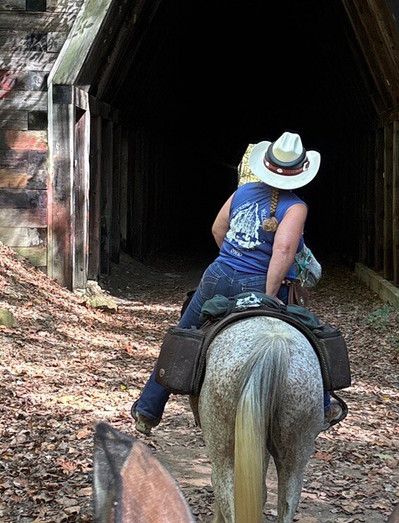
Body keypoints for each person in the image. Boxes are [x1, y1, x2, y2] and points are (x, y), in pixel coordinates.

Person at [131, 131, 343, 435]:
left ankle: (148, 409)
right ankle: (324, 407)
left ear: (266, 165)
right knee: (307, 333)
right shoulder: (295, 208)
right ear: (301, 172)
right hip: (260, 283)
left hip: (217, 275)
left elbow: (218, 230)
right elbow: (282, 252)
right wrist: (269, 296)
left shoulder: (242, 192)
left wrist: (233, 261)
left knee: (183, 336)